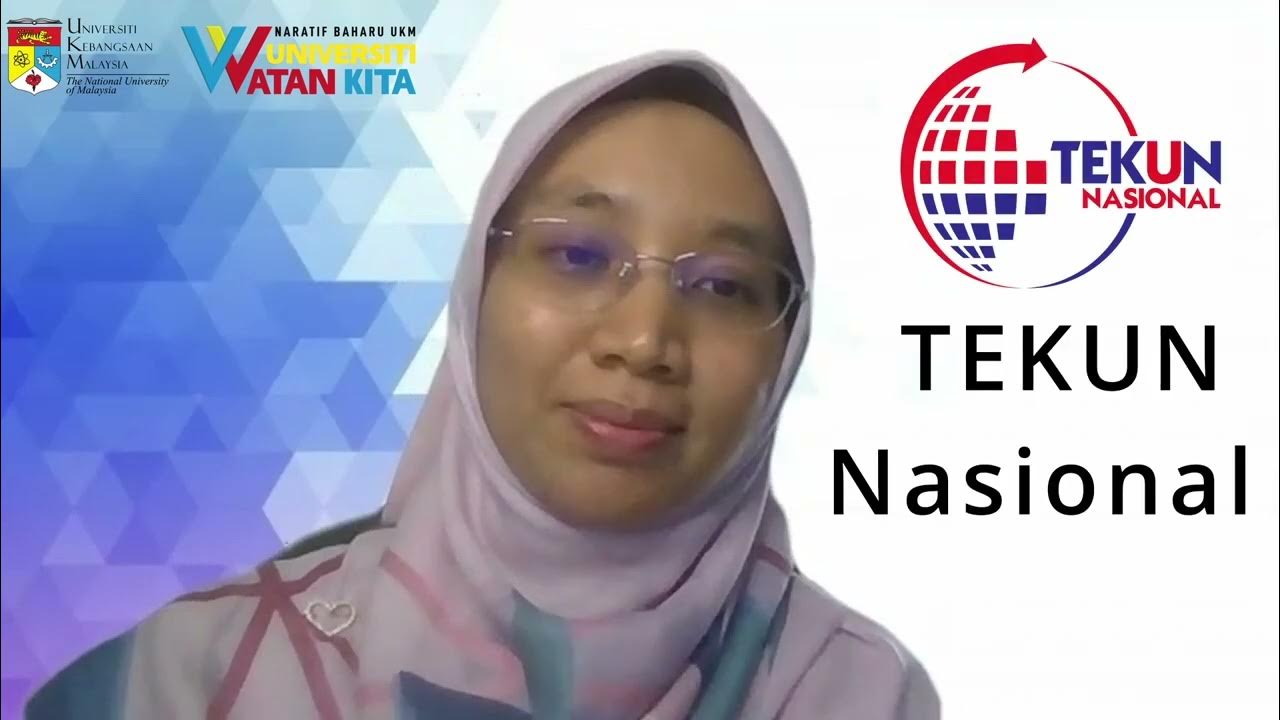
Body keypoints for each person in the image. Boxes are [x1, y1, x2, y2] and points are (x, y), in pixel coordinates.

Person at [26, 50, 939, 719]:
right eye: (578, 256)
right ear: (475, 293)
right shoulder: (200, 677)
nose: (644, 341)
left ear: (788, 348)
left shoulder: (857, 693)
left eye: (725, 286)